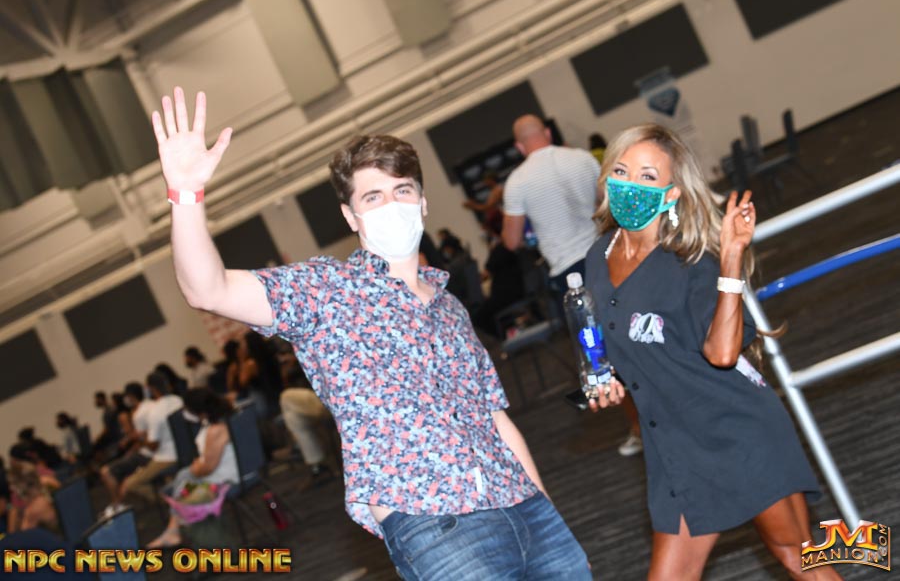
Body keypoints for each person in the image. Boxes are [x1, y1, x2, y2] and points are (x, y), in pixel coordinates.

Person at [151, 87, 591, 579]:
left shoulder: (448, 307)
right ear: (350, 215)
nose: (392, 205)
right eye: (373, 197)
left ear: (422, 203)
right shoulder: (327, 291)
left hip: (522, 504)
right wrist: (185, 195)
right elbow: (207, 288)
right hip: (436, 523)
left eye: (402, 191)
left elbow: (495, 417)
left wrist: (544, 508)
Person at [584, 124, 837, 580]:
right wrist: (607, 381)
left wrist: (731, 259)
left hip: (736, 432)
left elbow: (722, 354)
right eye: (621, 171)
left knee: (800, 560)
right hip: (674, 450)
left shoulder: (692, 262)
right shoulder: (598, 258)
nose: (629, 185)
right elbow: (619, 343)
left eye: (647, 176)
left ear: (671, 194)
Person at [501, 115, 600, 294]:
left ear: (519, 147)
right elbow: (610, 203)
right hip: (604, 251)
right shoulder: (582, 157)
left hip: (568, 268)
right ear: (548, 133)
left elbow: (512, 241)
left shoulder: (516, 182)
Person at [147, 388, 239, 548]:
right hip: (229, 471)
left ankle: (175, 530)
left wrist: (196, 467)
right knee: (182, 477)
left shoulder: (216, 430)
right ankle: (173, 529)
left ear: (200, 412)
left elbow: (208, 468)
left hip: (224, 480)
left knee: (181, 487)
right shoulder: (227, 417)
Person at [119, 372, 182, 504]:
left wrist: (140, 438)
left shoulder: (155, 411)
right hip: (184, 452)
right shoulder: (178, 400)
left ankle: (168, 500)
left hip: (166, 458)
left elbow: (153, 446)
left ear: (151, 388)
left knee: (129, 484)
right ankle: (177, 494)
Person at [99, 382, 154, 514]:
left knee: (106, 472)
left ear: (131, 396)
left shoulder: (139, 414)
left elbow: (143, 441)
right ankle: (118, 504)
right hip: (147, 452)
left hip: (146, 454)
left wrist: (131, 447)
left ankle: (117, 507)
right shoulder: (151, 406)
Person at [91, 391, 122, 460]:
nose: (95, 402)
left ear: (101, 399)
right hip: (114, 438)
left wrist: (97, 439)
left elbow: (107, 429)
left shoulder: (109, 411)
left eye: (96, 399)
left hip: (114, 439)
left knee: (96, 446)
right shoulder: (108, 410)